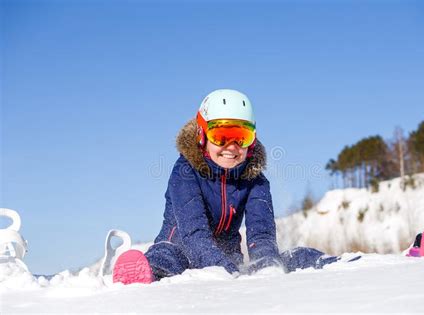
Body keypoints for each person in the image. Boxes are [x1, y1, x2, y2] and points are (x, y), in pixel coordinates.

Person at [112, 89, 339, 285]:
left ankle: (333, 263)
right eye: (221, 136)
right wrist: (226, 272)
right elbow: (194, 234)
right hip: (179, 246)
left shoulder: (255, 180)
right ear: (202, 135)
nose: (231, 147)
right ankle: (142, 274)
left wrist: (267, 267)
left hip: (227, 254)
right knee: (169, 258)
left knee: (279, 260)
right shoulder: (185, 172)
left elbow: (261, 235)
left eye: (241, 136)